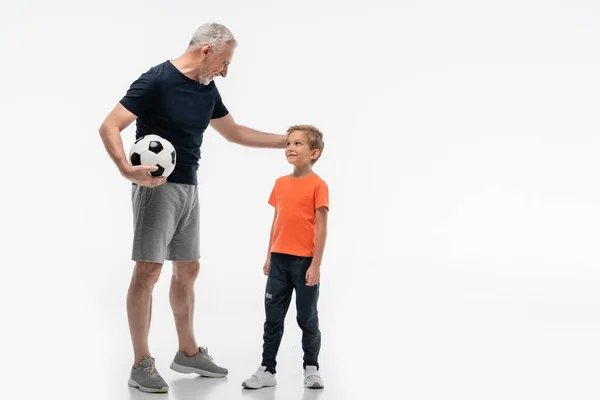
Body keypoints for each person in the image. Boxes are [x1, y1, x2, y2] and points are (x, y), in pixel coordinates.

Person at [98, 23, 287, 394]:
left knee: (188, 269)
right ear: (205, 50)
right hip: (156, 187)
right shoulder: (157, 79)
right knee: (149, 271)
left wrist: (286, 140)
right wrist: (125, 168)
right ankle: (141, 363)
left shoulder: (207, 89)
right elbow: (110, 125)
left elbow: (235, 133)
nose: (225, 71)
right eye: (224, 62)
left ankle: (187, 352)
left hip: (189, 187)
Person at [242, 125, 329, 390]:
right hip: (279, 261)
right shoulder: (280, 184)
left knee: (307, 318)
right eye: (289, 143)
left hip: (304, 263)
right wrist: (269, 255)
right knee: (273, 318)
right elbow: (277, 220)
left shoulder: (318, 185)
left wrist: (316, 264)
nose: (290, 148)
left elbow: (322, 227)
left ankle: (311, 367)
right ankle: (267, 368)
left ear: (313, 153)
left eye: (298, 144)